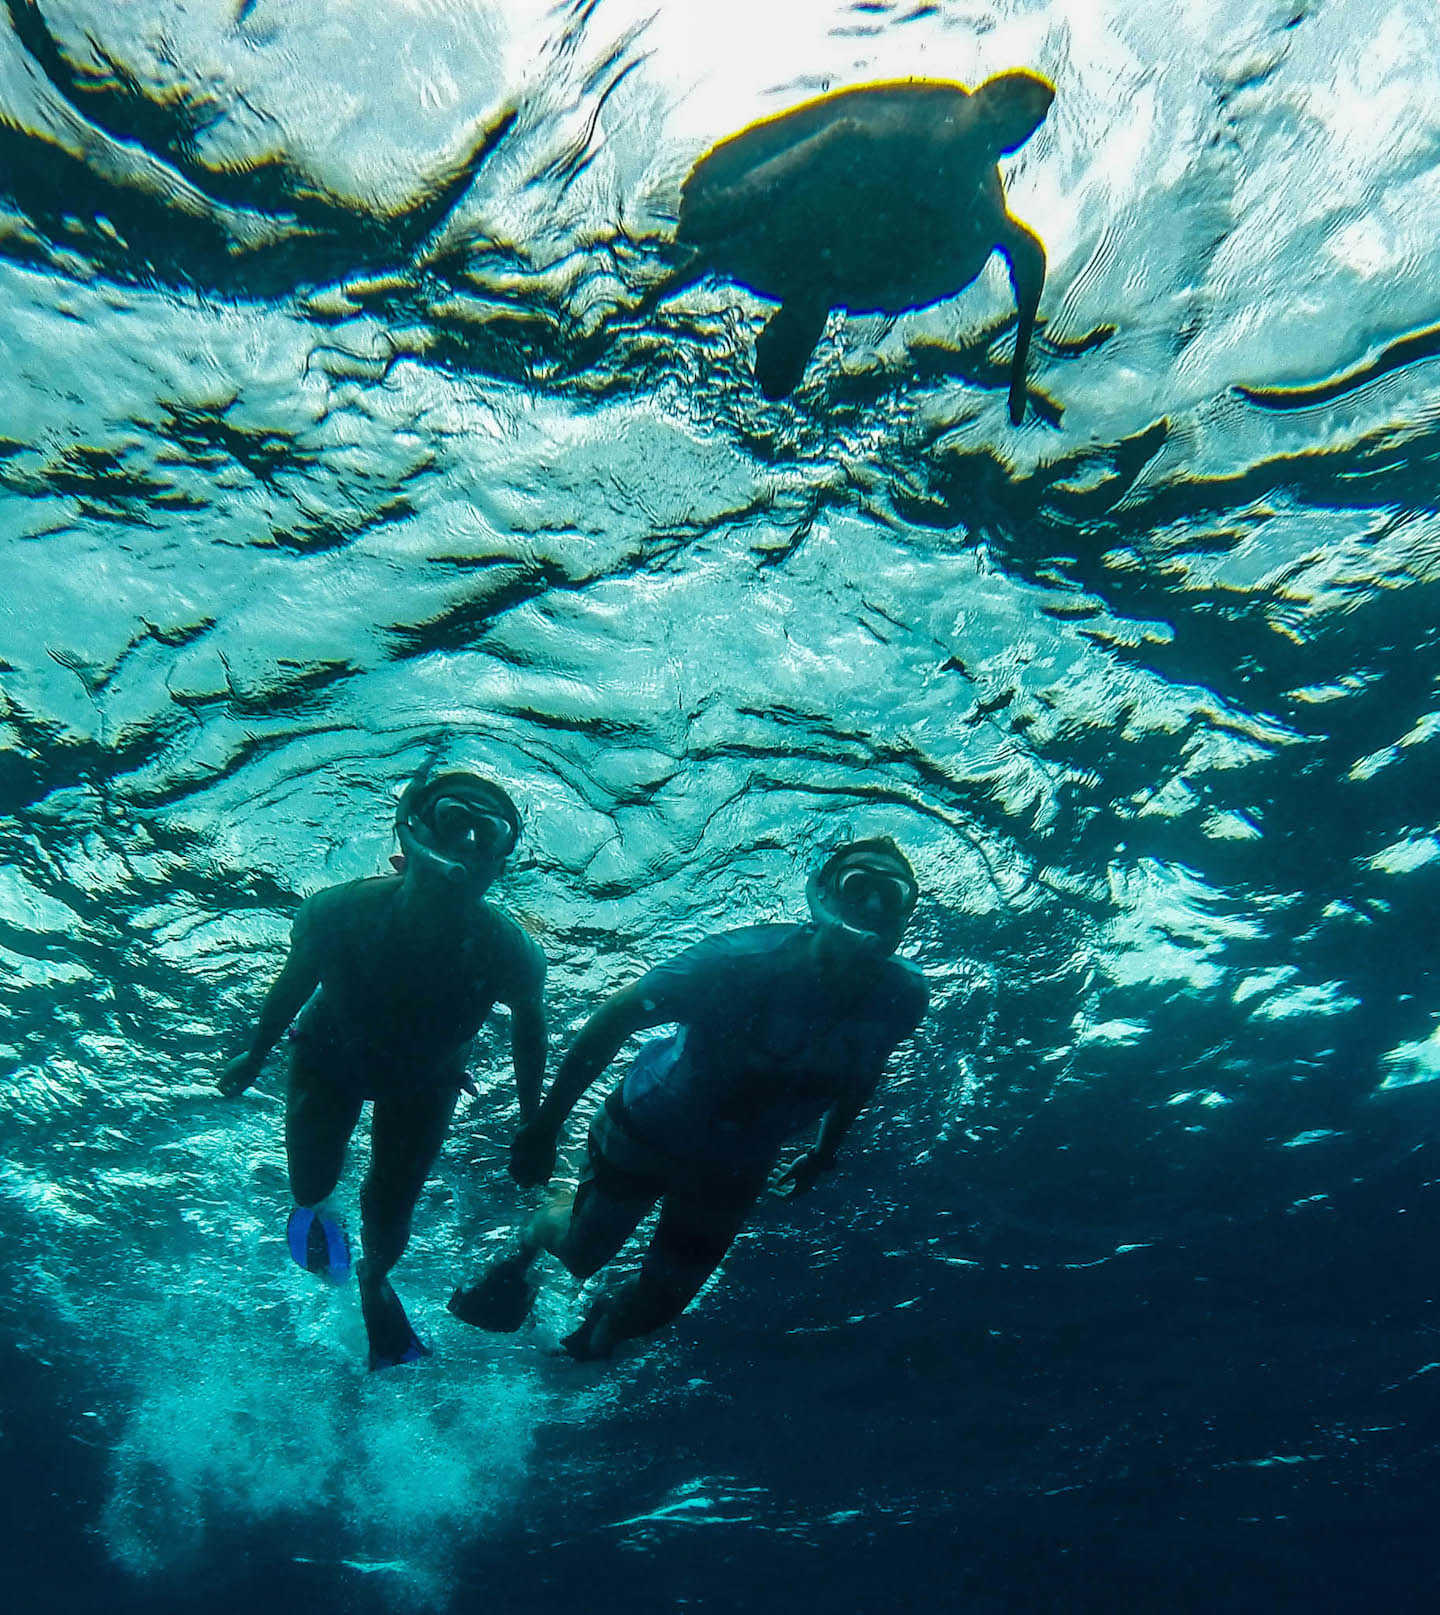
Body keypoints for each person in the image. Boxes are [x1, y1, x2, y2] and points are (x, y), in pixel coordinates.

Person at [448, 835, 927, 1360]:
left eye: (892, 894)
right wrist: (544, 1125)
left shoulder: (902, 997)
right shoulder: (739, 961)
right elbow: (615, 1017)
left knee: (664, 1303)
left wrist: (824, 1150)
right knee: (582, 1254)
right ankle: (533, 1236)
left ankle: (585, 1344)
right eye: (859, 886)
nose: (874, 906)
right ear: (821, 894)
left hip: (738, 1162)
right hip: (648, 1128)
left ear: (907, 914)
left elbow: (863, 1070)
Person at [217, 770, 547, 1370]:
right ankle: (324, 1214)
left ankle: (375, 1274)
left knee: (390, 1222)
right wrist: (257, 1051)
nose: (469, 843)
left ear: (500, 863)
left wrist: (534, 1124)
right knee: (309, 1187)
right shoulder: (339, 912)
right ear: (412, 830)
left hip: (424, 1085)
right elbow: (295, 982)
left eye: (488, 832)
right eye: (453, 819)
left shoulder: (509, 950)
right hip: (327, 1060)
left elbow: (530, 1028)